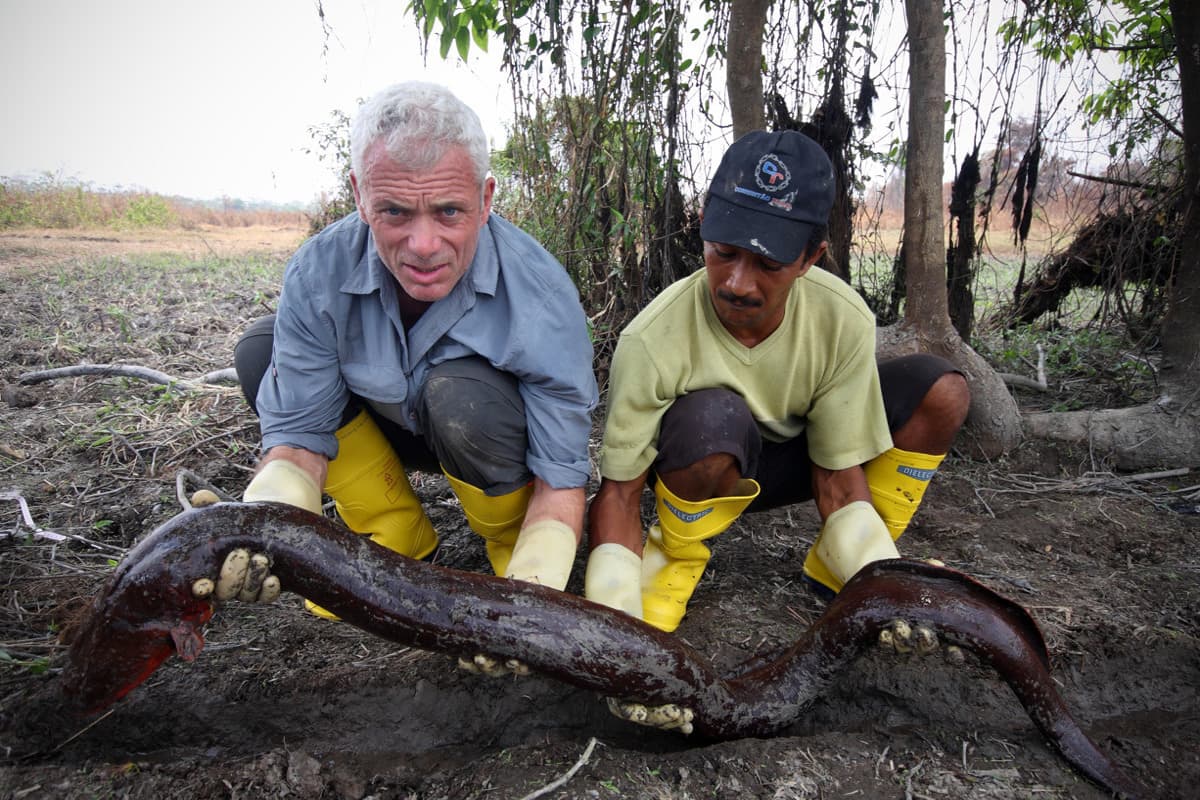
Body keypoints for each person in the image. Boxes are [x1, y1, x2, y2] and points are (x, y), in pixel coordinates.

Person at [226, 81, 598, 623]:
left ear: (486, 198)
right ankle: (392, 528)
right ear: (359, 194)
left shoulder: (541, 296)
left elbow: (561, 480)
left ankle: (513, 551)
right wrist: (262, 526)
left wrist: (533, 599)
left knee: (458, 395)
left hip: (481, 436)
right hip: (381, 427)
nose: (423, 246)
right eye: (395, 212)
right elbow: (298, 441)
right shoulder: (319, 272)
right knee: (261, 353)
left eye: (449, 211)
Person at [583, 129, 971, 634]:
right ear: (704, 226)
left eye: (768, 263)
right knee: (712, 417)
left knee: (941, 391)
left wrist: (883, 578)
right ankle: (673, 563)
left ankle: (851, 566)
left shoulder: (842, 319)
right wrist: (615, 612)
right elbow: (619, 494)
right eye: (723, 252)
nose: (738, 283)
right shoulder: (651, 340)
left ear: (811, 258)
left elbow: (838, 474)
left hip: (795, 464)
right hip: (701, 469)